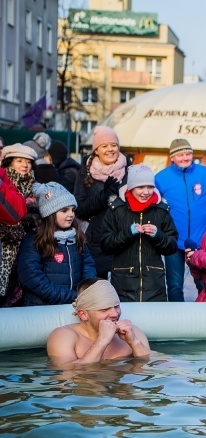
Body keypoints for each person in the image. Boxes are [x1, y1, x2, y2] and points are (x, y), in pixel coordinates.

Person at [155, 138, 206, 302]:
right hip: (174, 241)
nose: (185, 157)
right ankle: (176, 322)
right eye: (180, 155)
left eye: (188, 153)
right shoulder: (160, 178)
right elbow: (155, 208)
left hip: (202, 240)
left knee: (204, 284)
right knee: (174, 285)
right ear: (172, 157)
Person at [100, 164, 178, 302]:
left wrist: (157, 235)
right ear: (130, 187)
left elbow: (171, 246)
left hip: (154, 286)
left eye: (150, 187)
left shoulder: (161, 210)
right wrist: (128, 233)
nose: (146, 192)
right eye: (140, 187)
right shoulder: (116, 209)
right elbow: (106, 245)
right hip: (123, 285)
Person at [17, 182, 96, 306]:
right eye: (64, 210)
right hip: (40, 307)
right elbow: (31, 276)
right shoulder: (34, 239)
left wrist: (85, 290)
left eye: (72, 210)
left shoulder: (77, 236)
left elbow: (88, 264)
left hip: (73, 304)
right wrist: (69, 296)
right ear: (50, 213)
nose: (71, 214)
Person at [46, 278, 151, 369]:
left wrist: (134, 343)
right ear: (83, 314)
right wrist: (102, 341)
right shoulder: (63, 336)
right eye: (104, 309)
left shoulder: (133, 332)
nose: (115, 314)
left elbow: (153, 367)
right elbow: (65, 376)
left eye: (116, 306)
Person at [74, 126, 130, 281]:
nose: (110, 149)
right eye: (104, 146)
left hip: (123, 240)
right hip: (96, 242)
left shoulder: (129, 171)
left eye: (114, 145)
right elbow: (80, 209)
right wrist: (104, 195)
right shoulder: (86, 172)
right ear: (96, 150)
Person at [0, 143, 38, 303]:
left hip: (26, 246)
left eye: (28, 162)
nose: (25, 165)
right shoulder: (5, 182)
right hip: (5, 247)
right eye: (19, 161)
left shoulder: (36, 186)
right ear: (9, 162)